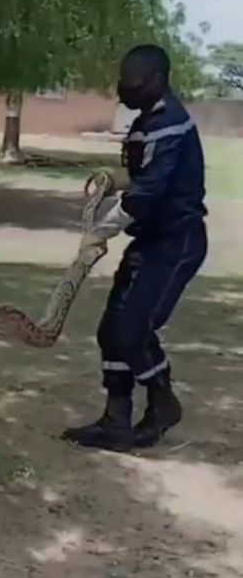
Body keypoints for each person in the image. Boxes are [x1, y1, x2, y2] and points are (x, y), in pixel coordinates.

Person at [63, 43, 207, 452]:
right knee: (112, 331)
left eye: (132, 81)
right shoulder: (151, 119)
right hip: (151, 240)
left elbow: (145, 195)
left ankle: (163, 404)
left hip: (175, 243)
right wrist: (116, 177)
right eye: (122, 79)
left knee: (132, 331)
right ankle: (116, 420)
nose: (123, 88)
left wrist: (99, 232)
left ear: (157, 80)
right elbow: (144, 174)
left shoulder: (169, 124)